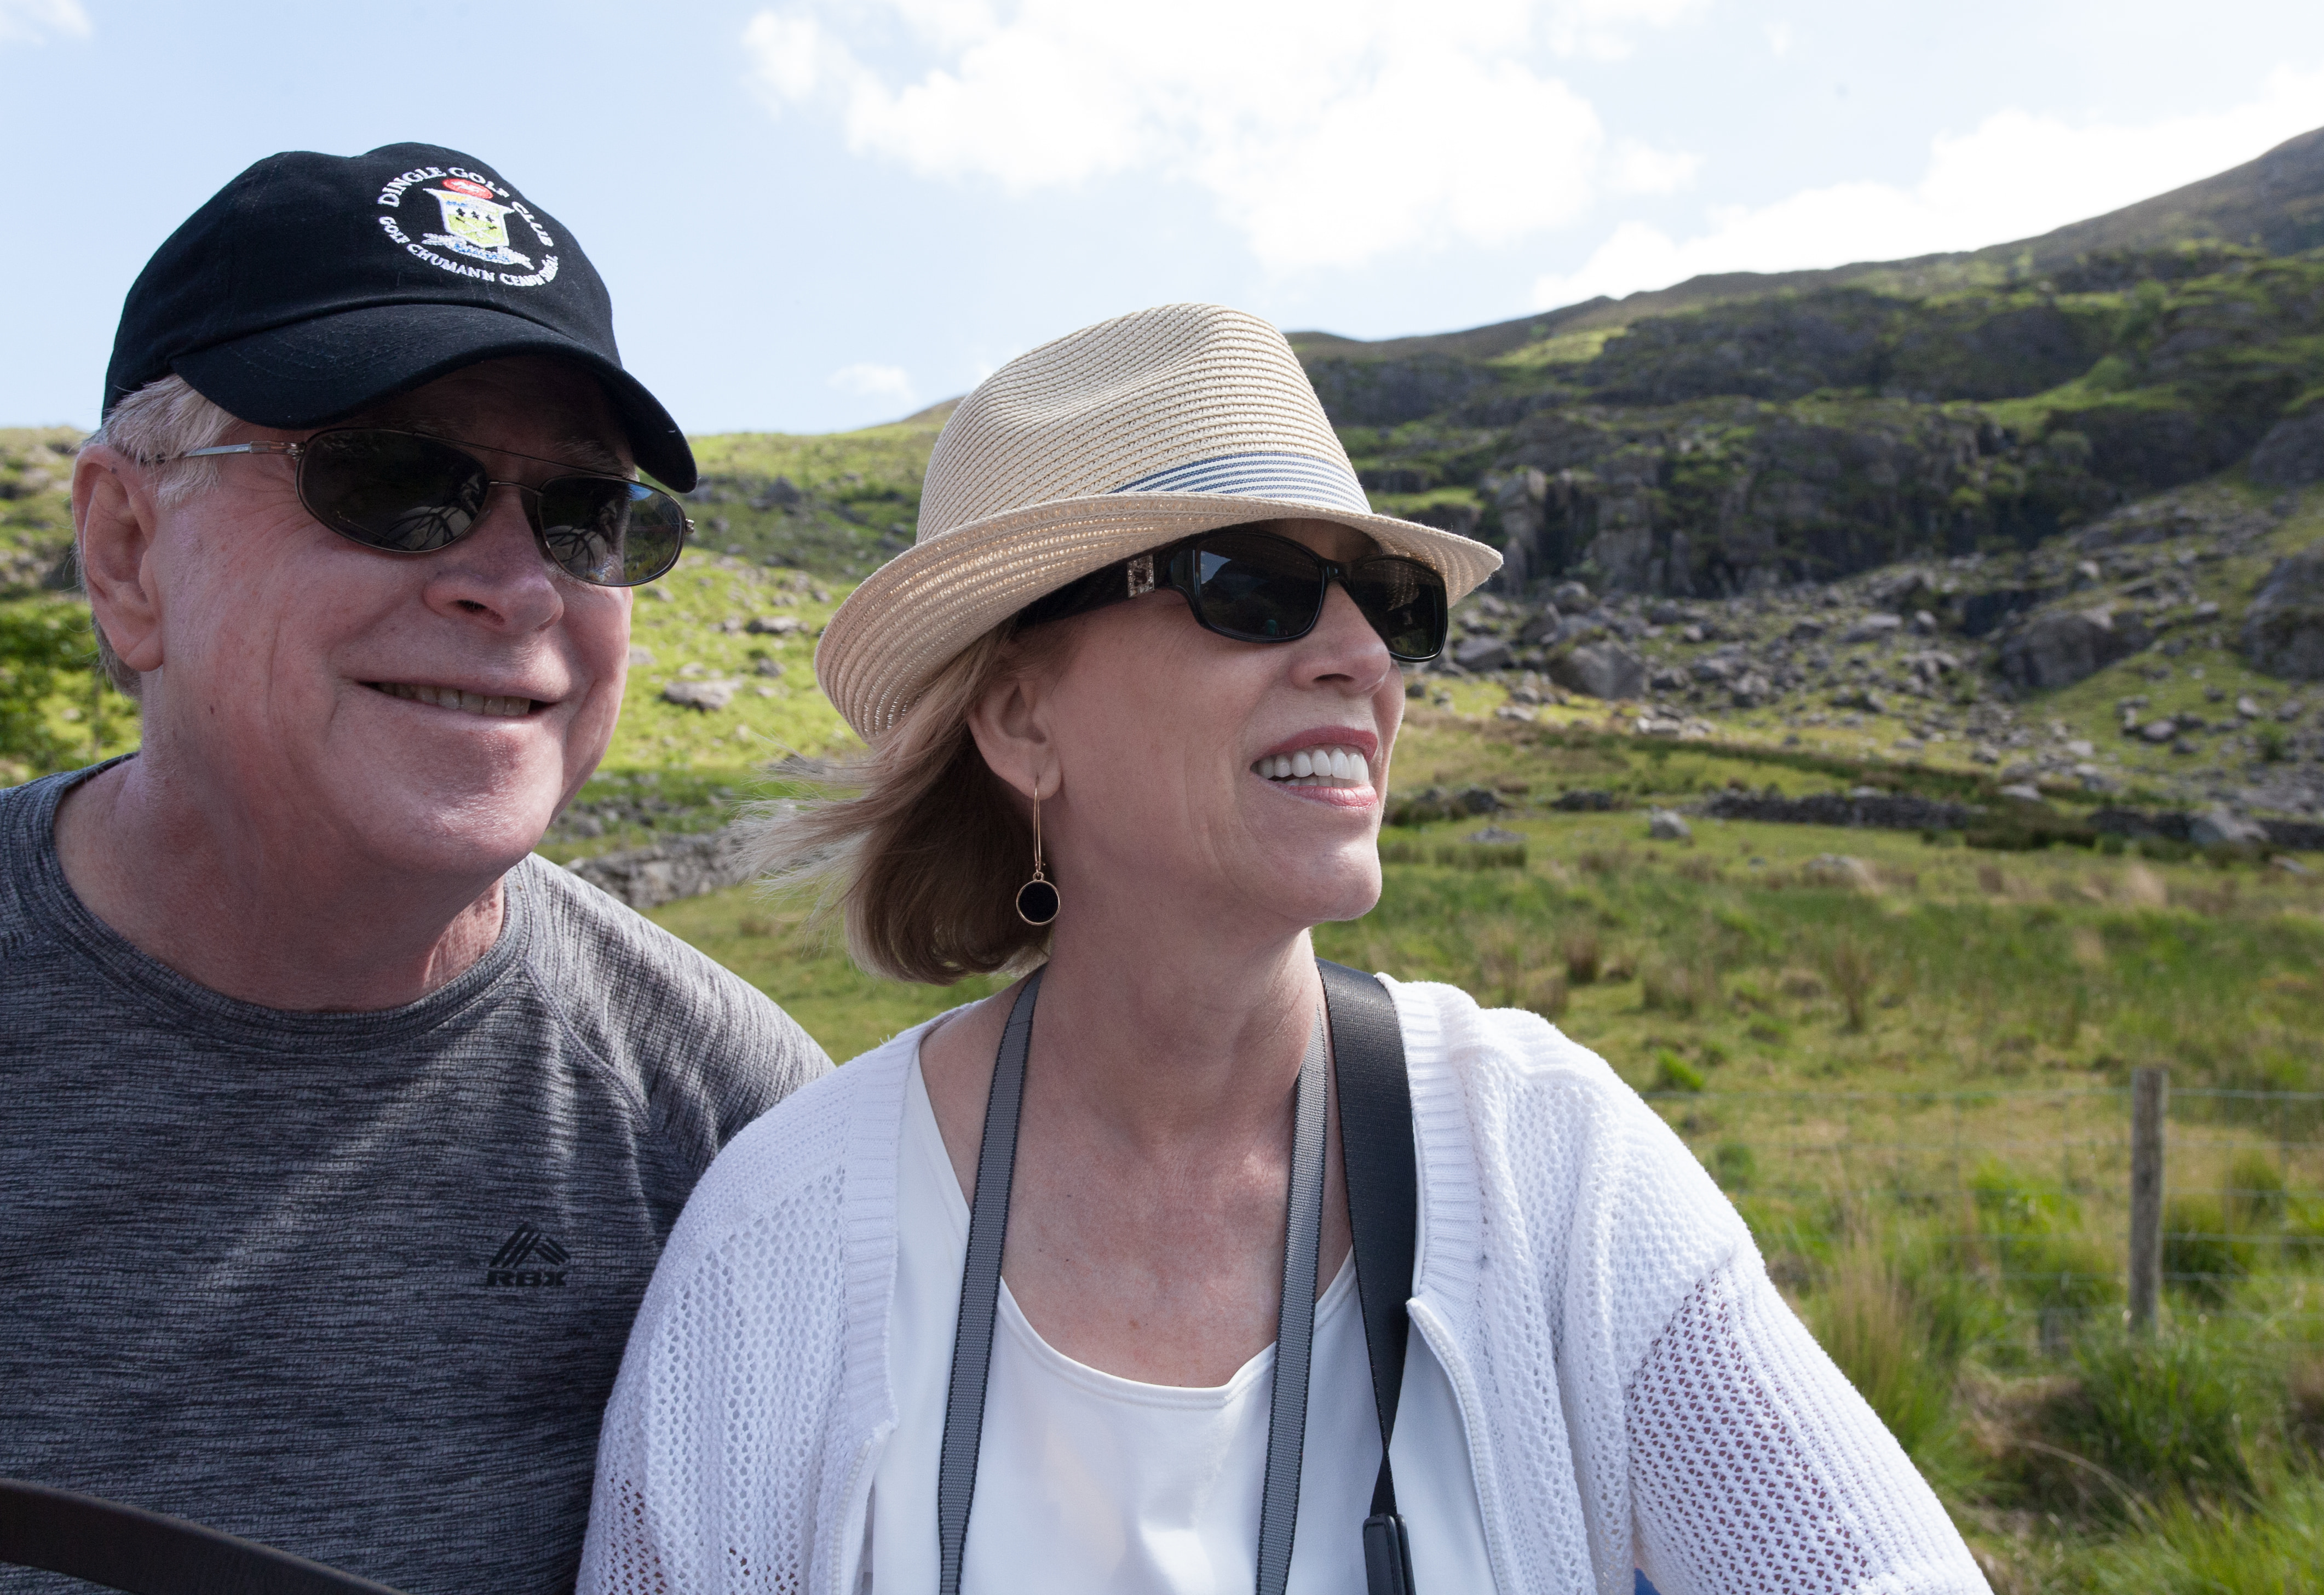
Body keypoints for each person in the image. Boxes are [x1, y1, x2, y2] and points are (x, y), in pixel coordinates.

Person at [578, 304, 1992, 1594]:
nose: (1363, 659)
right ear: (1021, 720)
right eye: (1250, 589)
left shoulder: (1549, 1169)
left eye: (1389, 603)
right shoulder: (782, 1248)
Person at [0, 144, 830, 1595]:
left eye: (584, 512)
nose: (510, 582)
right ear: (129, 553)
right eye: (395, 481)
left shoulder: (733, 1130)